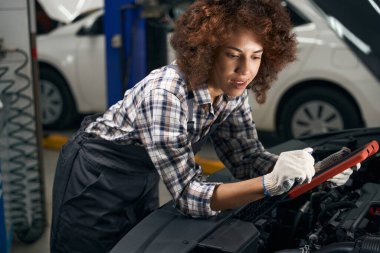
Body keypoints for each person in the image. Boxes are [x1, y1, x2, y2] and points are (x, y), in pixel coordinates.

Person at [50, 0, 355, 252]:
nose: (245, 71)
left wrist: (314, 173)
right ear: (207, 51)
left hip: (142, 174)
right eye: (233, 56)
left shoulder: (232, 90)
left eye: (256, 56)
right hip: (95, 178)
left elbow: (247, 160)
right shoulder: (166, 95)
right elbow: (188, 196)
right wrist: (269, 185)